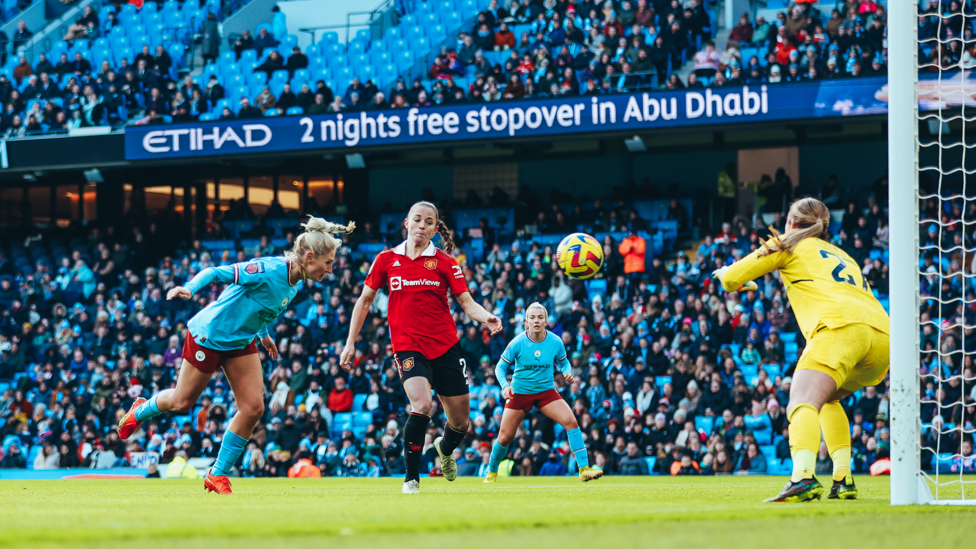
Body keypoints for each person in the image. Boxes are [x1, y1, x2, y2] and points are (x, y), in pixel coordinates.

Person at [118, 217, 355, 495]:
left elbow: (259, 307)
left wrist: (264, 335)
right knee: (182, 403)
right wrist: (190, 289)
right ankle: (141, 409)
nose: (331, 268)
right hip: (210, 335)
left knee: (254, 407)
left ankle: (217, 474)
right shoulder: (269, 269)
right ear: (310, 257)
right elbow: (215, 272)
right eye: (328, 262)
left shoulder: (296, 281)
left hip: (240, 340)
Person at [714, 197, 889, 502]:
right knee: (829, 399)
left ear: (792, 223)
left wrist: (725, 276)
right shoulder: (842, 254)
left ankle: (803, 477)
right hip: (882, 336)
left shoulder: (787, 243)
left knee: (802, 400)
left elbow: (731, 278)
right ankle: (843, 478)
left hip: (839, 328)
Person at [340, 201, 502, 494]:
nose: (422, 225)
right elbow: (364, 301)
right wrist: (350, 343)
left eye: (429, 222)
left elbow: (467, 303)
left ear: (435, 229)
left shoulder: (445, 262)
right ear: (407, 223)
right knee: (422, 405)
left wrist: (486, 317)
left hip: (445, 347)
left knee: (461, 422)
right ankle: (411, 479)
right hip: (407, 347)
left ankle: (444, 447)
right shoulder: (386, 260)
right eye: (417, 220)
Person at [484, 302, 602, 483]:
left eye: (540, 317)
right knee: (505, 437)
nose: (536, 320)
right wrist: (504, 386)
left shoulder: (556, 341)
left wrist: (567, 371)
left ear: (546, 321)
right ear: (526, 322)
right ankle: (491, 471)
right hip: (520, 393)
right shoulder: (518, 342)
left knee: (571, 421)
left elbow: (564, 362)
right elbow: (500, 368)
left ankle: (584, 469)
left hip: (546, 392)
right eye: (532, 317)